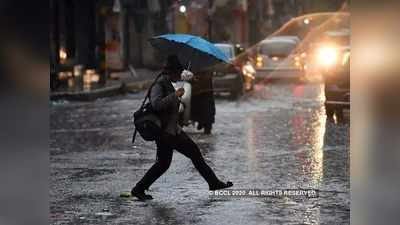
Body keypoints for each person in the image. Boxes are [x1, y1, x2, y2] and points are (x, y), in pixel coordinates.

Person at [131, 55, 233, 200]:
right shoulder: (159, 85)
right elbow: (156, 104)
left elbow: (171, 105)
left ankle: (138, 189)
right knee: (194, 154)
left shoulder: (167, 82)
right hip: (167, 133)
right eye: (178, 73)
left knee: (164, 163)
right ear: (171, 72)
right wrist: (175, 95)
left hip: (171, 130)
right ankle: (214, 183)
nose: (179, 76)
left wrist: (182, 95)